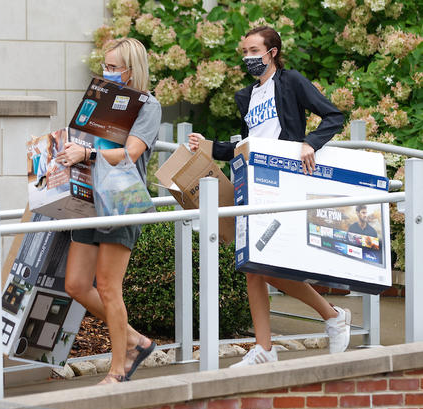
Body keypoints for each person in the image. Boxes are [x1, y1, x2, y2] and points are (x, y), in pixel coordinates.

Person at [188, 26, 351, 366]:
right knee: (253, 266)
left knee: (268, 264)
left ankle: (331, 315)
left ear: (272, 52)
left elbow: (334, 115)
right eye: (244, 52)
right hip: (255, 184)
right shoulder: (248, 96)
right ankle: (267, 347)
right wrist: (207, 147)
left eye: (253, 50)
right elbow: (245, 147)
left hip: (286, 183)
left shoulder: (291, 82)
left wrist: (310, 143)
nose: (248, 57)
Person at [55, 38, 161, 384]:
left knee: (109, 287)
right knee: (76, 284)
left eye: (114, 68)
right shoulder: (99, 100)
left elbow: (130, 153)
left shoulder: (147, 105)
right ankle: (134, 339)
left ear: (133, 70)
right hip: (88, 199)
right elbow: (84, 139)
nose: (108, 72)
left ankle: (118, 369)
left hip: (121, 199)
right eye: (106, 66)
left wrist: (87, 155)